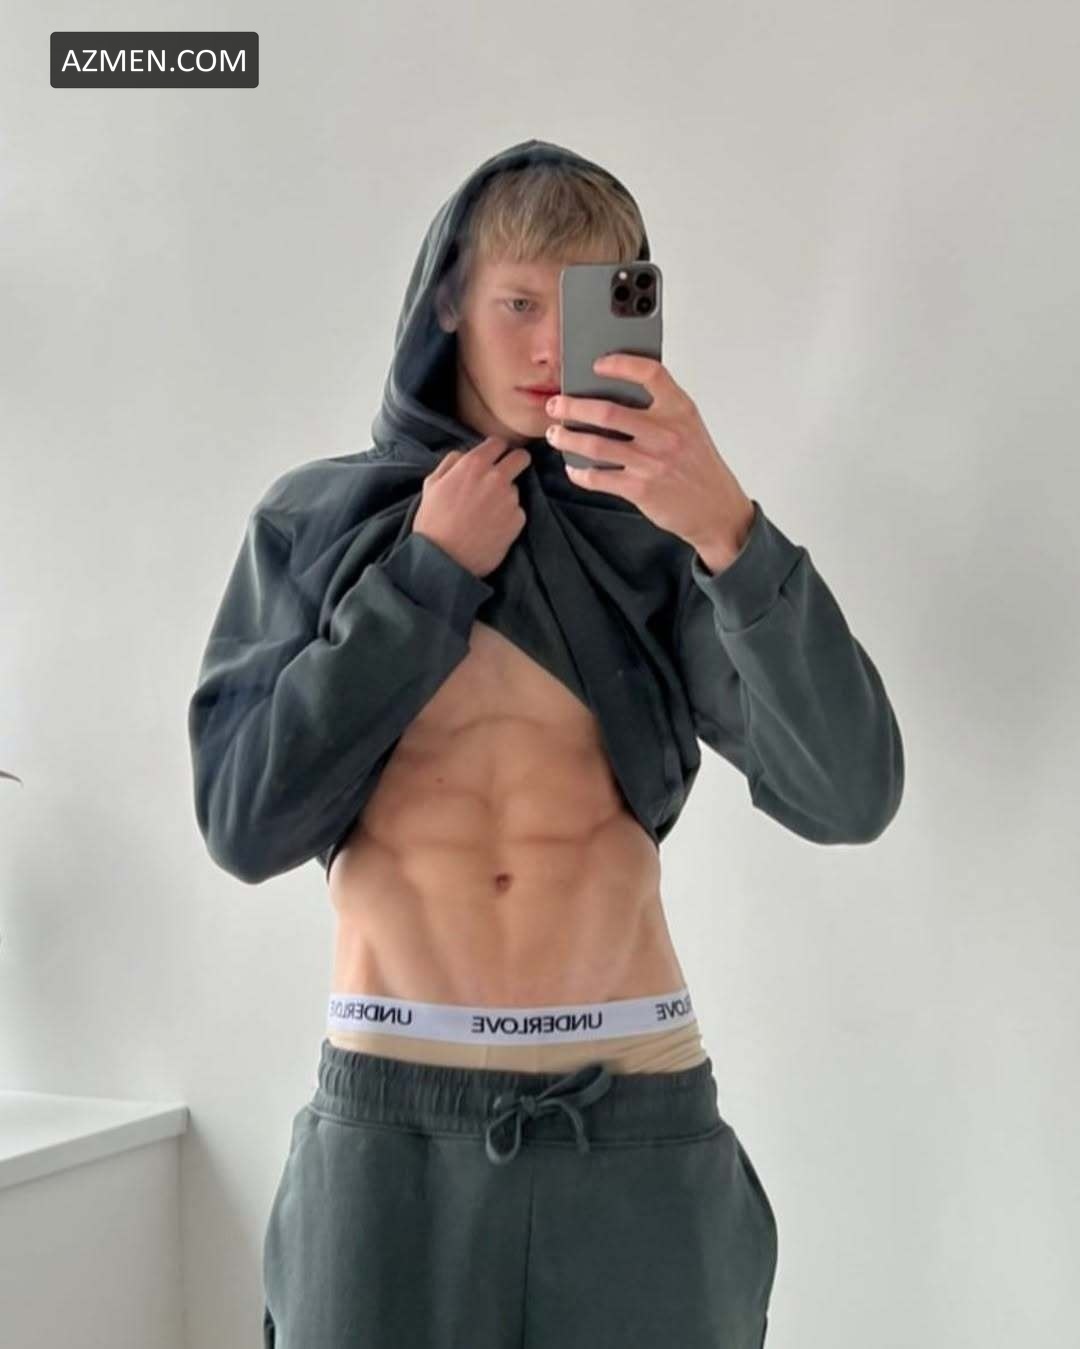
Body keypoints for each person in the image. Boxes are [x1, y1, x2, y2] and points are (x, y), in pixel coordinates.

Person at [188, 137, 904, 1348]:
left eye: (577, 308)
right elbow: (245, 821)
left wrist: (728, 530)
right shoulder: (323, 521)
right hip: (392, 1130)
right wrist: (426, 573)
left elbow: (849, 791)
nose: (542, 350)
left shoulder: (659, 538)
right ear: (447, 302)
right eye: (517, 303)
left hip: (633, 1110)